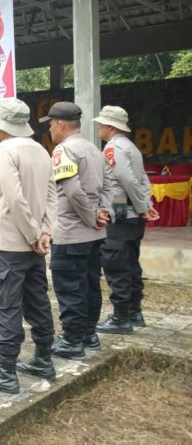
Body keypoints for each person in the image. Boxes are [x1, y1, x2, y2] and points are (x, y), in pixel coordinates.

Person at [0, 99, 58, 394]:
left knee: (7, 307)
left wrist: (34, 234)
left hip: (10, 243)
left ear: (1, 125)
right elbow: (51, 196)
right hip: (35, 246)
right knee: (37, 302)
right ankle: (43, 360)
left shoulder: (6, 150)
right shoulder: (41, 150)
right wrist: (46, 231)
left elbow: (14, 198)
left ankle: (6, 373)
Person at [39, 102, 113, 360]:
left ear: (60, 124)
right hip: (94, 235)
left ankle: (72, 341)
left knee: (71, 288)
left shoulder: (64, 150)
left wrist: (93, 216)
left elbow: (72, 192)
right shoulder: (95, 149)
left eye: (50, 124)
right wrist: (104, 212)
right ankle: (88, 334)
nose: (49, 130)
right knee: (90, 284)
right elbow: (108, 186)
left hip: (71, 232)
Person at [93, 106, 158, 334]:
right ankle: (134, 311)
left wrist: (142, 208)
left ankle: (121, 317)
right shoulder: (131, 147)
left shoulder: (113, 148)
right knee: (130, 263)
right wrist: (146, 205)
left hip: (121, 209)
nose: (98, 127)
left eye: (101, 124)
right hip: (130, 212)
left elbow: (127, 181)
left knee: (116, 263)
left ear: (110, 127)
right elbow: (142, 180)